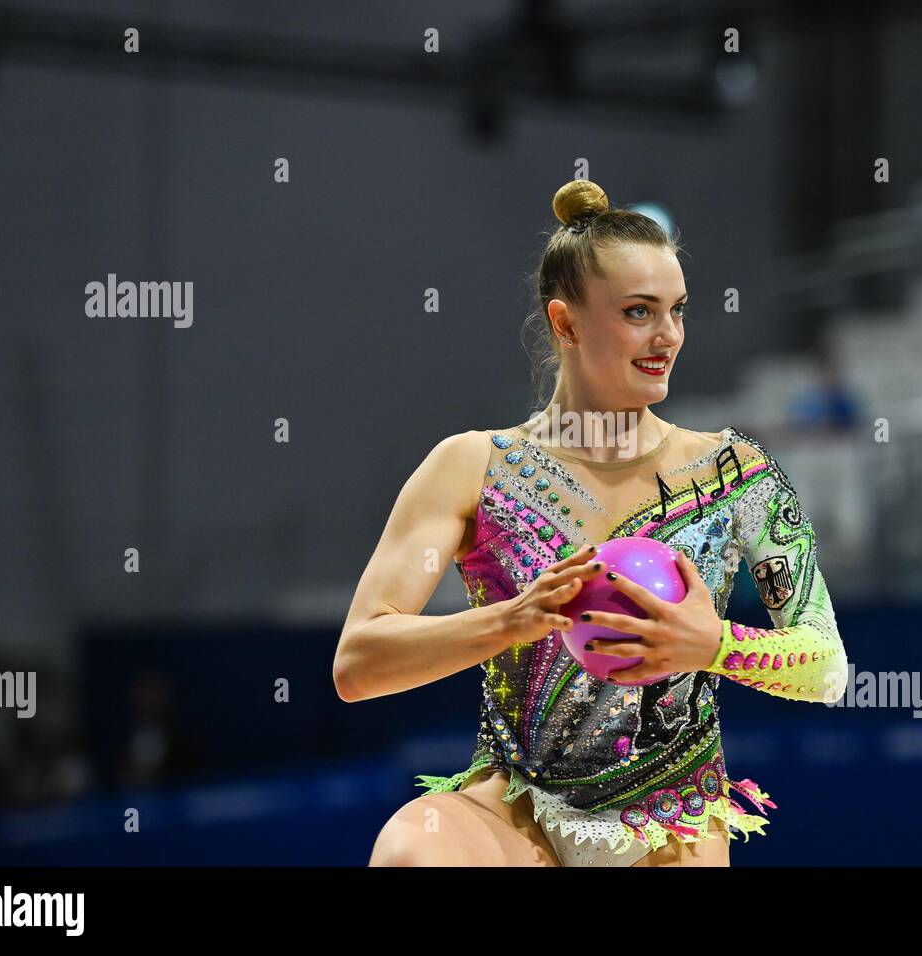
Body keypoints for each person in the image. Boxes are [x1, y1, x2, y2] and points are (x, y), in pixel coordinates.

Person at [335, 179, 848, 867]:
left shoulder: (737, 473)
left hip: (671, 816)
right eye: (640, 312)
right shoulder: (471, 467)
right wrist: (511, 620)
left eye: (677, 311)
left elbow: (828, 667)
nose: (667, 336)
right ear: (566, 323)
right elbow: (359, 663)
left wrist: (716, 644)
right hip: (515, 807)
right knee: (411, 850)